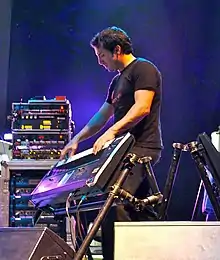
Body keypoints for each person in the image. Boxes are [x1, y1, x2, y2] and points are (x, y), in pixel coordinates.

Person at [60, 26, 163, 260]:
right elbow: (102, 116)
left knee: (114, 203)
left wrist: (113, 131)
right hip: (124, 150)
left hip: (142, 148)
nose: (100, 62)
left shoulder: (144, 69)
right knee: (133, 207)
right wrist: (77, 139)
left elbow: (142, 107)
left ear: (116, 50)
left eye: (102, 56)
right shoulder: (117, 82)